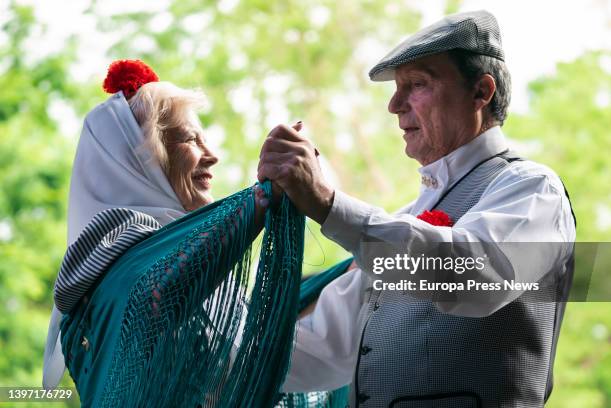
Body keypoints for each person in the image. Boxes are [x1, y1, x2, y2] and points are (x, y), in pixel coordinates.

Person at [259, 10, 576, 407]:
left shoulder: (532, 188)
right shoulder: (399, 221)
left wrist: (328, 205)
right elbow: (315, 348)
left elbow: (477, 275)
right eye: (397, 88)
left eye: (417, 84)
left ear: (481, 92)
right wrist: (185, 320)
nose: (394, 104)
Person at [42, 60, 302, 407]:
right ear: (139, 161)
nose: (213, 156)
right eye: (190, 139)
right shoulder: (112, 262)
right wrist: (261, 200)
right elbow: (155, 295)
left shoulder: (197, 267)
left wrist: (350, 267)